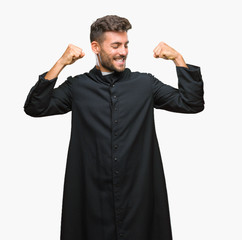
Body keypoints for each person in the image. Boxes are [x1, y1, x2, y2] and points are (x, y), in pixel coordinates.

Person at [24, 15, 205, 240]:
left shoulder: (145, 84)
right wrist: (60, 63)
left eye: (126, 45)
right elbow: (35, 107)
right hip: (91, 200)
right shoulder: (78, 87)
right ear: (95, 47)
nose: (123, 52)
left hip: (139, 197)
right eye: (116, 46)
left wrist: (178, 58)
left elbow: (191, 103)